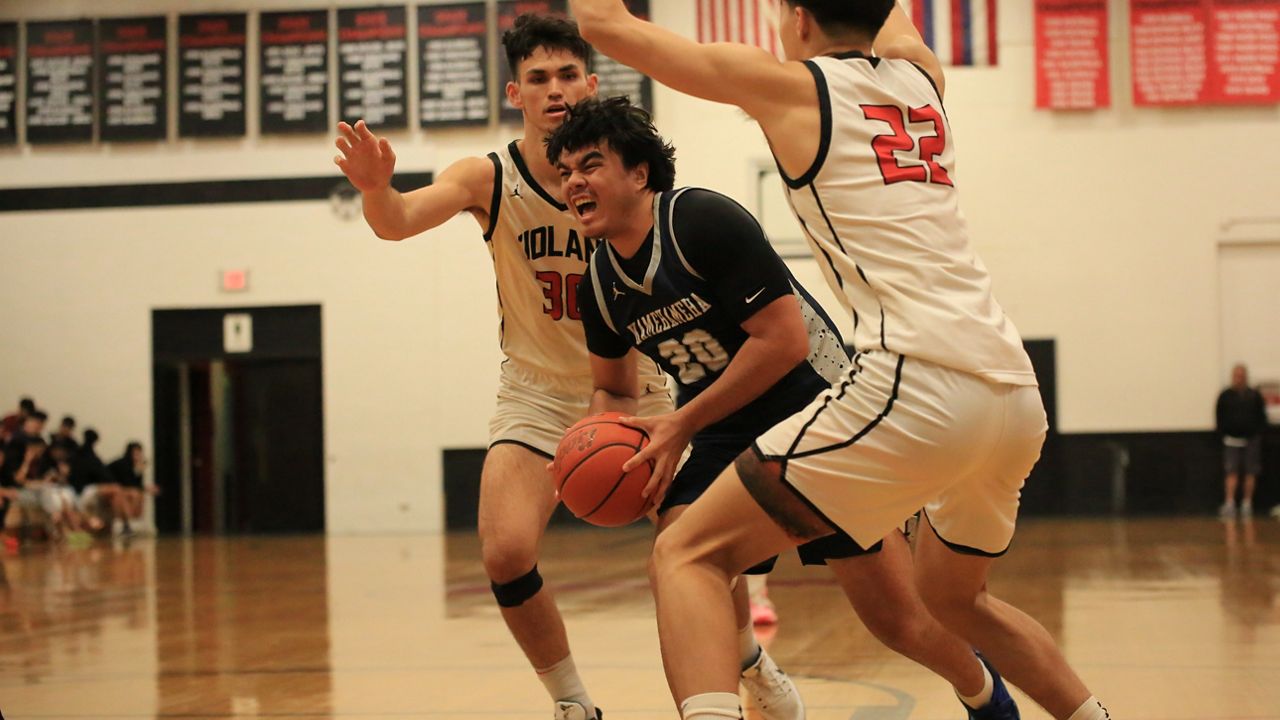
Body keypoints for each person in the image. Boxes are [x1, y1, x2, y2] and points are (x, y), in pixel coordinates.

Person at [567, 2, 1111, 719]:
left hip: (915, 384)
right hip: (1012, 392)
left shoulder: (792, 88)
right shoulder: (921, 77)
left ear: (795, 18)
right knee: (954, 599)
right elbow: (897, 24)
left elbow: (605, 24)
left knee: (687, 553)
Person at [332, 14, 673, 720]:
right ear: (515, 93)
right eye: (539, 79)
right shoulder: (489, 177)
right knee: (505, 551)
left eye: (568, 75)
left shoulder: (635, 169)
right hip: (540, 392)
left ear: (592, 82)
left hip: (645, 387)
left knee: (691, 550)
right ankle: (573, 702)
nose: (556, 91)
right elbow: (397, 221)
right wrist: (374, 189)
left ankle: (747, 664)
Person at [1216, 363, 1268, 518]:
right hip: (1231, 439)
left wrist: (1256, 433)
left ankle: (1247, 503)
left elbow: (1261, 417)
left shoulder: (1254, 396)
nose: (1238, 379)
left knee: (1250, 472)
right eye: (1236, 376)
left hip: (1251, 439)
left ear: (1245, 377)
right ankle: (1230, 503)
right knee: (1231, 471)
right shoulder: (1225, 396)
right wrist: (1224, 432)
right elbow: (1219, 417)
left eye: (1241, 376)